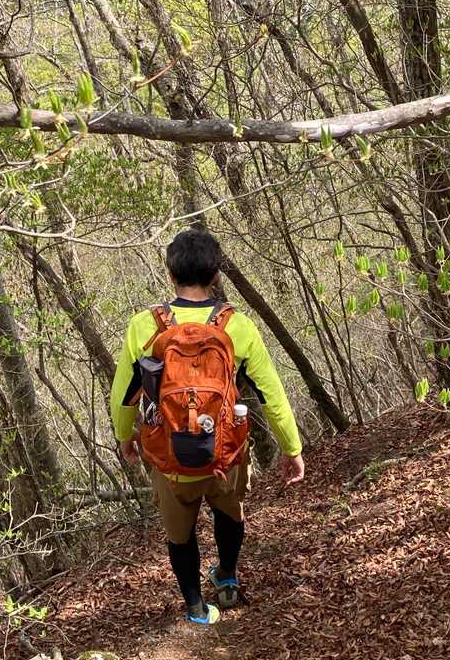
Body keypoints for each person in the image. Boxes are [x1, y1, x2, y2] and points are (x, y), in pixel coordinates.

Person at [110, 228, 305, 625]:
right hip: (225, 454)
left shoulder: (144, 326)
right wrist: (292, 448)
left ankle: (196, 607)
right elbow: (271, 394)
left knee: (179, 534)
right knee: (230, 514)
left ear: (170, 274)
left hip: (170, 457)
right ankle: (227, 578)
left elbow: (124, 395)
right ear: (216, 274)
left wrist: (125, 437)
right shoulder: (238, 327)